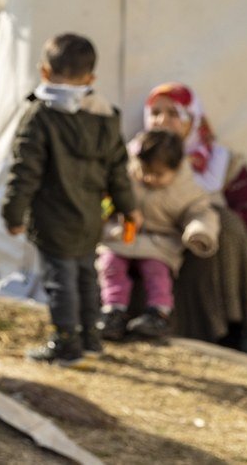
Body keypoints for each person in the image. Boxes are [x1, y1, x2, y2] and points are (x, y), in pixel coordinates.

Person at [1, 33, 140, 367]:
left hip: (52, 218)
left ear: (44, 71)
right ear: (91, 78)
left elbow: (25, 172)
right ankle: (91, 339)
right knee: (85, 278)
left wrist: (13, 213)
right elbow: (118, 170)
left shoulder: (40, 116)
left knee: (60, 282)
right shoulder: (105, 116)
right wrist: (128, 208)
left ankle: (66, 345)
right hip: (90, 217)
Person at [142, 82, 247, 358]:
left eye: (173, 113)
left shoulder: (220, 163)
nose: (162, 121)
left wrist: (204, 216)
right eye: (155, 113)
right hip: (155, 251)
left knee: (225, 222)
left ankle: (236, 327)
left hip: (206, 255)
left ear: (193, 119)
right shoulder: (135, 160)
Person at [97, 129, 219, 341]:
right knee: (110, 264)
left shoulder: (186, 189)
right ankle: (113, 310)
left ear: (176, 168)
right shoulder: (123, 177)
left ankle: (159, 313)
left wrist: (198, 231)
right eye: (143, 171)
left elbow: (200, 212)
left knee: (156, 270)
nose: (149, 178)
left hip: (159, 243)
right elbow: (103, 200)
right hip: (121, 236)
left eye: (158, 174)